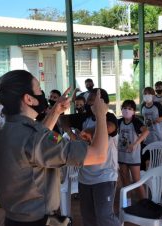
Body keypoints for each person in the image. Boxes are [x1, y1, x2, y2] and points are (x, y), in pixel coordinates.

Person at [0, 70, 109, 226]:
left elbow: (36, 145)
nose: (42, 94)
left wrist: (56, 111)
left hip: (14, 219)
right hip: (37, 220)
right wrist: (101, 115)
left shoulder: (6, 131)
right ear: (29, 99)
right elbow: (98, 155)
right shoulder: (33, 137)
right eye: (38, 89)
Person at [60, 88, 120, 226]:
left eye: (92, 101)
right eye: (88, 101)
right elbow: (63, 119)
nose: (89, 104)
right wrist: (71, 134)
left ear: (102, 103)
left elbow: (110, 127)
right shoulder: (84, 117)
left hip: (104, 176)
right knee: (88, 217)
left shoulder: (109, 117)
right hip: (84, 177)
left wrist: (90, 131)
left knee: (104, 216)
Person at [118, 100, 149, 203]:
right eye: (125, 108)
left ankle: (145, 204)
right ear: (121, 109)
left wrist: (135, 144)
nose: (127, 110)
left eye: (130, 109)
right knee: (125, 181)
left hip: (133, 157)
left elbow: (146, 131)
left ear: (134, 111)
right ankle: (127, 204)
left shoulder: (136, 122)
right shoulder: (119, 122)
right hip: (121, 156)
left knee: (137, 181)